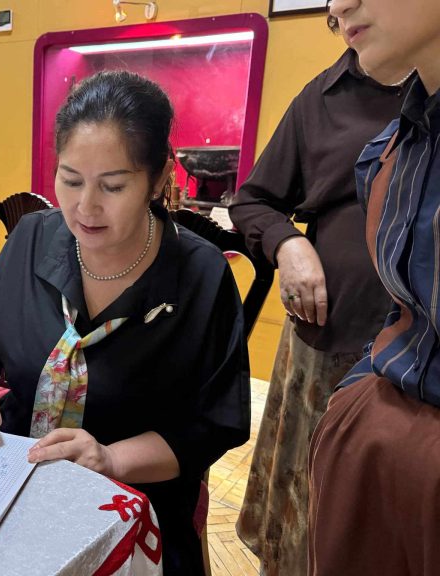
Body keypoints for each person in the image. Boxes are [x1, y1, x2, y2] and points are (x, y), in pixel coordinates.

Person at [0, 70, 250, 575]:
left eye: (113, 185)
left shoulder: (199, 275)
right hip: (12, 474)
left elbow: (212, 424)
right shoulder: (33, 239)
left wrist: (110, 459)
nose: (85, 207)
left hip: (131, 505)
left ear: (158, 179)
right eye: (71, 179)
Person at [227, 10, 409, 574]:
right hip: (329, 341)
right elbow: (253, 199)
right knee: (308, 506)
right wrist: (288, 243)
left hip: (414, 361)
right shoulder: (324, 96)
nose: (338, 8)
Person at [308, 0, 440, 574]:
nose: (338, 5)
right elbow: (408, 309)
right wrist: (353, 404)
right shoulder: (393, 151)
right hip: (374, 436)